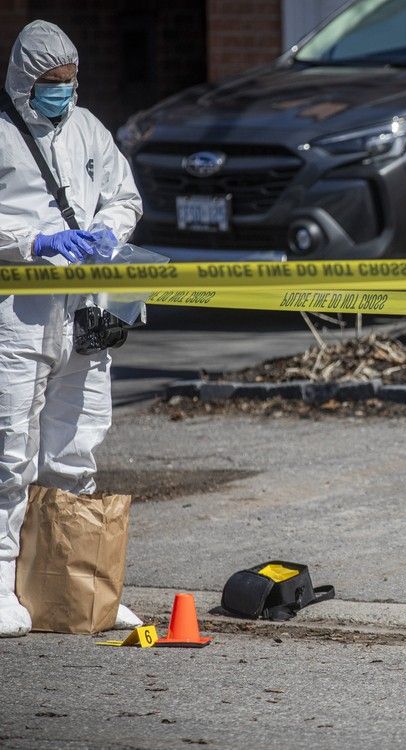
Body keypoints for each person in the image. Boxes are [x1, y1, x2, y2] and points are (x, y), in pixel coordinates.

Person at [0, 21, 144, 636]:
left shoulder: (88, 129)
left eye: (70, 80)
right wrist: (34, 241)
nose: (63, 91)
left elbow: (125, 195)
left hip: (84, 312)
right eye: (51, 82)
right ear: (24, 79)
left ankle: (71, 580)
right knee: (8, 453)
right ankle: (3, 582)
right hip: (16, 320)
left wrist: (108, 231)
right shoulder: (3, 137)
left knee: (76, 447)